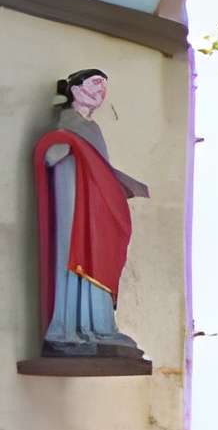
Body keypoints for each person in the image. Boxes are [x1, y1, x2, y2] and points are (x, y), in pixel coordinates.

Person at [33, 66, 145, 360]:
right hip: (74, 205)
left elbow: (101, 169)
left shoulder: (92, 128)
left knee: (100, 253)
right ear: (75, 89)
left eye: (104, 86)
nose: (101, 91)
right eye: (95, 83)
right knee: (75, 255)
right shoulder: (66, 123)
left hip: (95, 206)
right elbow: (50, 155)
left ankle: (99, 326)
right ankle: (71, 327)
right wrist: (69, 147)